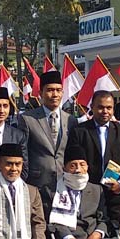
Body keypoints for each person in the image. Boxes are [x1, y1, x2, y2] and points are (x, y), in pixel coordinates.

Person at [67, 90, 120, 237]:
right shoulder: (80, 131)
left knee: (113, 235)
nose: (105, 111)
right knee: (91, 234)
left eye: (109, 107)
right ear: (92, 107)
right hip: (88, 192)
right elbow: (73, 161)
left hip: (115, 193)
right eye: (100, 107)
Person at [20, 70, 78, 210]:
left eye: (58, 90)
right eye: (50, 90)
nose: (55, 94)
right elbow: (23, 152)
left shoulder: (71, 120)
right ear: (40, 93)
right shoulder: (28, 119)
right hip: (37, 184)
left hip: (65, 185)